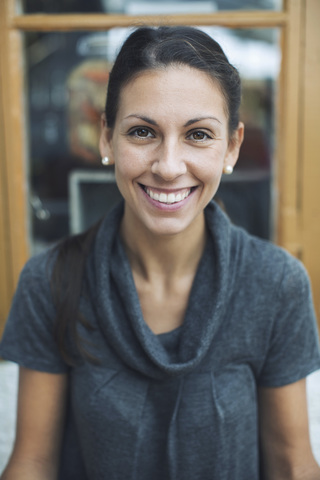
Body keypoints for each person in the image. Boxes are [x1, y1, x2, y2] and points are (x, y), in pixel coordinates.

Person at [0, 26, 320, 480]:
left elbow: (292, 466)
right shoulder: (50, 281)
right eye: (143, 131)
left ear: (232, 146)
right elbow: (32, 463)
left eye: (199, 135)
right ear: (107, 139)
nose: (169, 167)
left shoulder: (276, 284)